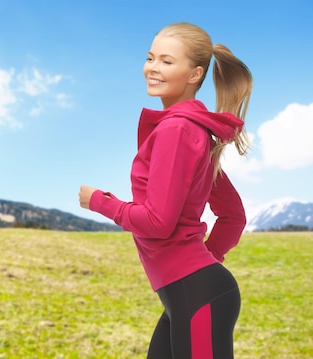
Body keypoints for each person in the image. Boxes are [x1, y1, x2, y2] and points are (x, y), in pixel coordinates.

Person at [78, 22, 252, 359]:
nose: (153, 68)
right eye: (150, 58)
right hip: (190, 294)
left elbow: (158, 221)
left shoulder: (177, 131)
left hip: (197, 293)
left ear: (194, 74)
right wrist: (205, 259)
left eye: (167, 61)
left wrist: (100, 201)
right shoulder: (195, 132)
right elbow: (233, 216)